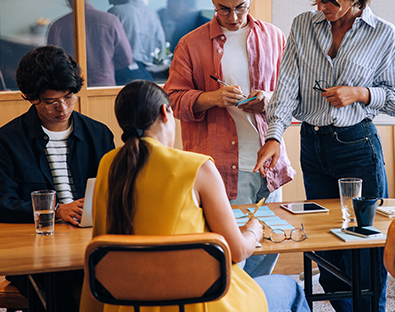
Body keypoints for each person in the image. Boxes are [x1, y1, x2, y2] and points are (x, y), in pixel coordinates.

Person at [255, 0, 395, 312]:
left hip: (357, 145)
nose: (320, 6)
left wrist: (361, 93)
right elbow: (287, 87)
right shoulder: (302, 26)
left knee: (366, 246)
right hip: (313, 143)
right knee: (325, 247)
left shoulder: (383, 34)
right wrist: (275, 135)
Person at [79, 80, 310, 312]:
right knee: (291, 288)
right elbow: (238, 250)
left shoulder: (108, 165)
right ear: (165, 112)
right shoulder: (197, 166)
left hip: (129, 303)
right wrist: (253, 230)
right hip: (197, 303)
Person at [164, 0, 296, 278]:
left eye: (241, 7)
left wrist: (269, 99)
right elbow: (171, 101)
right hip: (219, 166)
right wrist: (211, 98)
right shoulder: (190, 44)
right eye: (224, 9)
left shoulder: (274, 37)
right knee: (230, 258)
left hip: (267, 161)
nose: (234, 17)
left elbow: (293, 96)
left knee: (268, 247)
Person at [0, 45, 115, 310]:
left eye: (70, 97)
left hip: (91, 241)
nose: (63, 107)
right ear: (29, 97)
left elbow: (116, 189)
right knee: (62, 286)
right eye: (51, 102)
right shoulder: (7, 141)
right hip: (36, 250)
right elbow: (0, 204)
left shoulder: (98, 134)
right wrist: (56, 211)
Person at [47, 0, 137, 87]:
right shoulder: (110, 21)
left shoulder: (57, 26)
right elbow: (126, 58)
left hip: (70, 87)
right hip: (104, 85)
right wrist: (106, 67)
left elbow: (52, 64)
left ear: (68, 0)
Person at [101, 0, 164, 77]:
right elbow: (161, 47)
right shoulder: (151, 14)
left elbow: (105, 48)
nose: (110, 2)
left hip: (123, 73)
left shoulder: (115, 12)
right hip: (147, 73)